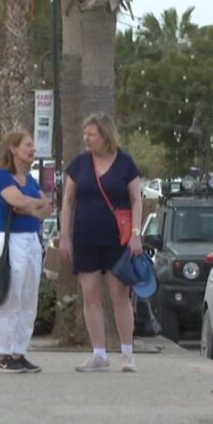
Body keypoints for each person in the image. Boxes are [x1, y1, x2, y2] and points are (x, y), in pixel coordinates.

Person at [59, 113, 143, 373]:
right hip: (85, 236)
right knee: (91, 295)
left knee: (120, 295)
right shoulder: (80, 164)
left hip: (118, 238)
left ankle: (127, 354)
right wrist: (65, 235)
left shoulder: (125, 163)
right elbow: (68, 201)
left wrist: (136, 233)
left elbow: (136, 199)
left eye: (91, 134)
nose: (86, 138)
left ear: (105, 135)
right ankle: (99, 354)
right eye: (85, 134)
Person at [0, 131, 53, 373]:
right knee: (10, 296)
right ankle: (3, 355)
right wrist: (28, 204)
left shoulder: (33, 181)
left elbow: (44, 208)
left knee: (28, 297)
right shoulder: (3, 176)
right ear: (14, 149)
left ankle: (19, 352)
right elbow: (16, 201)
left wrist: (28, 205)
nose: (32, 149)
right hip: (9, 241)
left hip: (31, 240)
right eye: (28, 145)